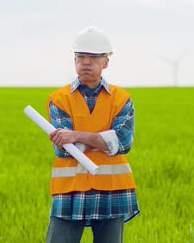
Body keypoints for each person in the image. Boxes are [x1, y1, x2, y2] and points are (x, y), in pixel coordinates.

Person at [45, 26, 140, 243]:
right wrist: (104, 140)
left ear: (106, 61)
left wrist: (77, 135)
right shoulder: (59, 99)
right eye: (80, 57)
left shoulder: (122, 99)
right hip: (70, 190)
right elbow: (65, 149)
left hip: (113, 188)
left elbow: (123, 142)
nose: (85, 62)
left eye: (93, 57)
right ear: (75, 60)